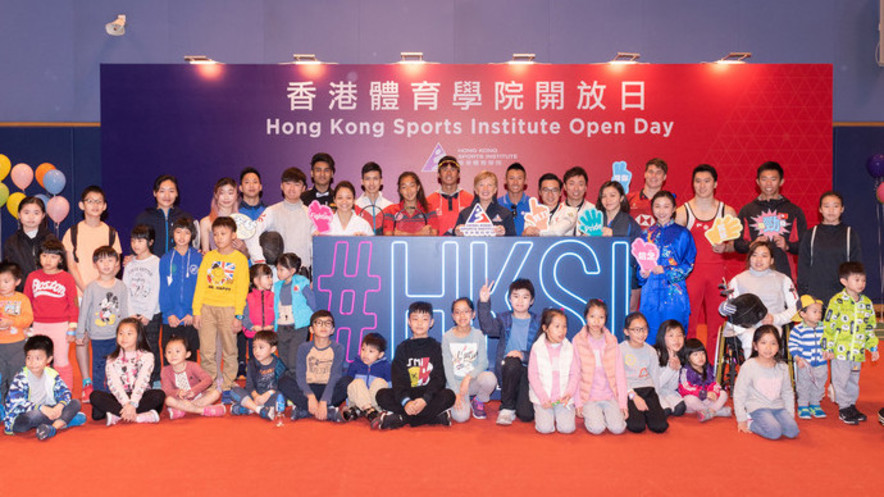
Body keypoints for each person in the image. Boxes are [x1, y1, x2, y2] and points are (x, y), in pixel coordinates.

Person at [63, 186, 123, 400]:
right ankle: (87, 381)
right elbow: (71, 265)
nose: (95, 205)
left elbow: (115, 265)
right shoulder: (73, 232)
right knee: (84, 337)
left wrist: (102, 286)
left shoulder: (111, 233)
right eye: (90, 201)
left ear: (105, 206)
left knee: (108, 335)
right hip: (82, 291)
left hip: (107, 294)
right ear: (82, 205)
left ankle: (109, 378)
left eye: (99, 201)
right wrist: (88, 288)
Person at [675, 164, 737, 350]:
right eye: (698, 181)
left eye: (707, 181)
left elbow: (736, 246)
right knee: (688, 321)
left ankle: (714, 370)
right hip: (691, 274)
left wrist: (726, 247)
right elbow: (674, 249)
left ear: (715, 184)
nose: (702, 186)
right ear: (693, 184)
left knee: (717, 323)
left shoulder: (727, 212)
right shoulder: (682, 212)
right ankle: (687, 366)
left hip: (717, 272)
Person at [192, 216, 250, 402]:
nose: (218, 238)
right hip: (207, 308)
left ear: (233, 235)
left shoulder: (240, 260)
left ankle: (227, 384)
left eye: (223, 234)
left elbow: (242, 289)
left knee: (230, 350)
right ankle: (210, 384)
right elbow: (200, 285)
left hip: (229, 309)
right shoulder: (209, 257)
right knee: (207, 350)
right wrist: (196, 311)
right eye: (215, 234)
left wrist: (238, 315)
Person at [375, 302, 456, 429]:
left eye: (424, 319)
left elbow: (439, 379)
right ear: (409, 322)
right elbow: (398, 380)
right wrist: (406, 402)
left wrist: (425, 400)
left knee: (449, 395)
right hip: (408, 394)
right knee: (381, 395)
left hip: (427, 396)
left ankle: (402, 419)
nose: (419, 323)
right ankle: (433, 418)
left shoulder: (437, 347)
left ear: (431, 322)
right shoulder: (402, 348)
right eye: (415, 319)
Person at [477, 278, 540, 425]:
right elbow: (487, 328)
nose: (520, 301)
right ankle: (506, 407)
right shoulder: (503, 319)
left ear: (531, 301)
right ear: (510, 299)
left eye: (525, 297)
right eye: (516, 296)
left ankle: (516, 400)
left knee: (526, 415)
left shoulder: (538, 322)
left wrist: (523, 355)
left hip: (529, 373)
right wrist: (484, 302)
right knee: (512, 361)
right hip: (508, 370)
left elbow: (541, 354)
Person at [822, 261, 879, 425]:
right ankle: (844, 408)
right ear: (844, 281)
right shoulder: (837, 301)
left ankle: (851, 405)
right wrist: (828, 347)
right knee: (841, 379)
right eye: (856, 280)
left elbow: (869, 328)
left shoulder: (867, 303)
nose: (861, 284)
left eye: (863, 280)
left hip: (857, 352)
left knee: (853, 380)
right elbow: (829, 326)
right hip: (840, 352)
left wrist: (873, 347)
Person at [636, 191, 696, 340]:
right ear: (652, 208)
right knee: (650, 333)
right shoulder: (646, 234)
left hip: (673, 292)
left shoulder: (683, 234)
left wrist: (666, 270)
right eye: (657, 206)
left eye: (666, 206)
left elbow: (689, 264)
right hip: (650, 292)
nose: (661, 211)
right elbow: (639, 264)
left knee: (673, 333)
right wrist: (642, 273)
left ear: (674, 208)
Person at [725, 239, 798, 359]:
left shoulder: (783, 279)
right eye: (754, 255)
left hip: (772, 325)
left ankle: (768, 373)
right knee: (751, 337)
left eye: (764, 256)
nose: (759, 260)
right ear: (749, 259)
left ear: (771, 260)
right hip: (745, 327)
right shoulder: (737, 280)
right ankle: (752, 374)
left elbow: (796, 308)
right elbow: (730, 309)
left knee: (766, 339)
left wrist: (775, 318)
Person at [3, 335, 86, 440]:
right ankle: (64, 420)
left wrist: (59, 406)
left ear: (49, 359)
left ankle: (53, 427)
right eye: (29, 358)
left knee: (75, 403)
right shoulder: (21, 378)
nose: (33, 363)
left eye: (38, 358)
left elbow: (64, 392)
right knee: (34, 416)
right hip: (24, 417)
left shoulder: (52, 374)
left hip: (48, 409)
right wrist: (42, 408)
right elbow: (17, 403)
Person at [734, 161, 807, 281]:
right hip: (753, 275)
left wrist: (787, 245)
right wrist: (752, 244)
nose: (768, 183)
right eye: (764, 179)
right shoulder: (747, 211)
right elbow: (738, 245)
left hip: (784, 273)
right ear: (757, 182)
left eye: (773, 179)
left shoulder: (794, 211)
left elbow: (804, 246)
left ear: (781, 182)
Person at [89, 318, 166, 424]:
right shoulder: (112, 358)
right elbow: (114, 384)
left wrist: (133, 403)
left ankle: (118, 415)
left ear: (138, 336)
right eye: (121, 333)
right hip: (120, 397)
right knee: (95, 396)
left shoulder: (147, 356)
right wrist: (126, 404)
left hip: (140, 396)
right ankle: (138, 415)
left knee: (159, 395)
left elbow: (142, 381)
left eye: (129, 334)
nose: (124, 337)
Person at [24, 239, 78, 389]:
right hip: (38, 325)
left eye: (53, 257)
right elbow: (26, 302)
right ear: (39, 257)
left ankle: (65, 396)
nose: (48, 260)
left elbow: (73, 304)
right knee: (36, 361)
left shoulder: (67, 278)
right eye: (44, 256)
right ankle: (36, 395)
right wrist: (26, 325)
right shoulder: (32, 277)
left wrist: (73, 326)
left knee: (61, 362)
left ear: (60, 259)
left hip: (60, 326)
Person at [279, 310, 348, 422]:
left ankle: (306, 410)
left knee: (347, 382)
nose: (323, 326)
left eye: (327, 323)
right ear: (311, 329)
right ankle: (326, 411)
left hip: (328, 389)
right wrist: (310, 396)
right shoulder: (304, 348)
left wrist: (324, 400)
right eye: (319, 323)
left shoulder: (338, 348)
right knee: (284, 381)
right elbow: (300, 376)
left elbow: (335, 376)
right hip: (309, 388)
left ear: (332, 330)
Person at [76, 246, 129, 393]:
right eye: (101, 261)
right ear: (95, 264)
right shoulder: (91, 288)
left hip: (117, 336)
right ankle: (100, 396)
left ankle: (117, 394)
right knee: (99, 367)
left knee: (118, 366)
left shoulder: (121, 286)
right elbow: (84, 312)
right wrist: (80, 333)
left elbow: (124, 311)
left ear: (117, 263)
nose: (106, 264)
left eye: (110, 260)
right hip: (98, 336)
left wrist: (127, 333)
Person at [572, 299, 627, 435]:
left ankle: (608, 415)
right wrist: (578, 403)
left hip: (609, 395)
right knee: (597, 429)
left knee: (618, 429)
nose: (596, 321)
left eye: (601, 317)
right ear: (586, 317)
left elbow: (620, 374)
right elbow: (575, 373)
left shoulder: (612, 341)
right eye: (592, 316)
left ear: (605, 319)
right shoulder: (578, 341)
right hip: (589, 397)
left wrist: (622, 404)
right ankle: (596, 416)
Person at [734, 325, 799, 440]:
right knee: (774, 432)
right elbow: (739, 393)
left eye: (773, 343)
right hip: (758, 407)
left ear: (778, 347)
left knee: (792, 431)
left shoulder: (782, 367)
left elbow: (787, 392)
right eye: (763, 343)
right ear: (755, 346)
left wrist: (790, 414)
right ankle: (751, 421)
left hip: (778, 407)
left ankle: (775, 421)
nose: (768, 348)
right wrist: (741, 419)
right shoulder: (749, 366)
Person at [797, 191, 861, 305]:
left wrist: (854, 291)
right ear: (820, 209)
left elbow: (856, 267)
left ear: (842, 209)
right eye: (826, 206)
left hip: (842, 296)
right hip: (815, 298)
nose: (831, 211)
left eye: (835, 206)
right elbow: (803, 267)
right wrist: (804, 295)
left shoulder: (850, 234)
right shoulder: (810, 234)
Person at [247, 167, 317, 269]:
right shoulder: (271, 211)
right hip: (278, 277)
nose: (292, 188)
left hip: (303, 276)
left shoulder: (311, 214)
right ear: (281, 186)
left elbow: (317, 247)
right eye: (288, 183)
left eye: (297, 184)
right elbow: (252, 233)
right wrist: (260, 263)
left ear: (303, 188)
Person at [442, 297, 497, 422]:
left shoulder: (478, 335)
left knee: (489, 379)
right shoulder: (447, 337)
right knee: (461, 418)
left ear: (473, 314)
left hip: (471, 382)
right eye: (457, 312)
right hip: (454, 384)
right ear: (453, 316)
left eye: (466, 311)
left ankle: (478, 401)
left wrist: (468, 378)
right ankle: (455, 402)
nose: (462, 315)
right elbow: (447, 367)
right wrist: (455, 392)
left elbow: (484, 363)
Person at [528, 308, 579, 434]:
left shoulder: (569, 348)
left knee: (567, 429)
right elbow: (533, 375)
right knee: (544, 429)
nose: (561, 331)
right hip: (543, 399)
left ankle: (560, 413)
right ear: (545, 328)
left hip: (563, 399)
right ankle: (544, 413)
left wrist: (569, 393)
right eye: (557, 326)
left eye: (564, 327)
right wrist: (542, 397)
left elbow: (575, 373)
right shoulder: (537, 348)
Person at [158, 217, 201, 362]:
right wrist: (169, 313)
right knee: (170, 355)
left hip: (191, 318)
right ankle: (170, 384)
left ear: (192, 235)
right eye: (178, 232)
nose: (182, 237)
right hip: (171, 319)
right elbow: (163, 289)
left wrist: (193, 312)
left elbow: (201, 289)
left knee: (190, 355)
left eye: (186, 233)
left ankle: (192, 384)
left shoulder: (199, 258)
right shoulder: (165, 259)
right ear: (172, 233)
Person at [123, 224, 162, 386]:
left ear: (150, 242)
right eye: (133, 241)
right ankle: (137, 378)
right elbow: (125, 289)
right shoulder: (130, 263)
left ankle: (156, 378)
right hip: (133, 313)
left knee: (151, 346)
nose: (136, 244)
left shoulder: (156, 262)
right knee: (134, 347)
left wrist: (147, 314)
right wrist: (131, 313)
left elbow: (156, 289)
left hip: (151, 314)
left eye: (141, 241)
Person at [597, 180, 642, 311]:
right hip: (600, 274)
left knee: (627, 312)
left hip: (625, 275)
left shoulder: (630, 223)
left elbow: (637, 254)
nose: (607, 200)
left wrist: (614, 235)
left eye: (612, 195)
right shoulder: (595, 219)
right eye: (604, 196)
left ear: (621, 198)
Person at [620, 312, 668, 433]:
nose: (642, 333)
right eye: (636, 330)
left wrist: (656, 399)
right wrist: (634, 397)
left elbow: (654, 376)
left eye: (644, 329)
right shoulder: (620, 350)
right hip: (630, 391)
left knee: (660, 426)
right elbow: (619, 378)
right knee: (637, 426)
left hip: (648, 389)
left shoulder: (651, 351)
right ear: (626, 331)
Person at [161, 336, 224, 419]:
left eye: (177, 351)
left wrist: (194, 391)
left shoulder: (193, 366)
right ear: (165, 355)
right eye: (169, 352)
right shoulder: (165, 370)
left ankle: (182, 410)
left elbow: (208, 379)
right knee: (168, 400)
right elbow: (166, 390)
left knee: (216, 393)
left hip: (197, 397)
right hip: (180, 400)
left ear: (187, 354)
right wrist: (178, 393)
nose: (173, 355)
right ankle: (203, 410)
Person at [273, 252, 314, 381]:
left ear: (292, 270)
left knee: (294, 358)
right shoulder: (277, 286)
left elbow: (312, 301)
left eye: (281, 270)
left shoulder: (302, 283)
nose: (278, 273)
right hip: (281, 326)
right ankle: (287, 384)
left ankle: (298, 383)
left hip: (299, 326)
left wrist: (315, 318)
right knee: (283, 356)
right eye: (277, 270)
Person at [3, 196, 57, 291]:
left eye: (36, 213)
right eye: (26, 212)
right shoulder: (11, 242)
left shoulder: (51, 240)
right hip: (21, 294)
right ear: (19, 215)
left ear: (43, 215)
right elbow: (8, 272)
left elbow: (59, 267)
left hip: (47, 292)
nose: (31, 217)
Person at [134, 175, 196, 257]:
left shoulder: (186, 218)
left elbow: (191, 246)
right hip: (152, 268)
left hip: (178, 267)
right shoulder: (144, 218)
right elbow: (136, 244)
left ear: (177, 193)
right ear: (155, 193)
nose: (167, 196)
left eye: (171, 191)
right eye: (162, 191)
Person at [787, 295, 827, 420]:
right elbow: (792, 345)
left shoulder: (824, 328)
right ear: (803, 314)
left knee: (819, 384)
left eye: (820, 311)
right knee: (804, 384)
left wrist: (829, 351)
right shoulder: (798, 330)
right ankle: (803, 405)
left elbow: (828, 342)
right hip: (805, 363)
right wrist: (798, 358)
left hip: (821, 363)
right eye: (814, 311)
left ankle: (815, 403)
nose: (818, 314)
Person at [230, 330, 284, 421]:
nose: (256, 351)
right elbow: (249, 386)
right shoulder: (251, 363)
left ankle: (248, 409)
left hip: (270, 396)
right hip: (255, 396)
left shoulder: (279, 364)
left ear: (273, 349)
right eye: (254, 347)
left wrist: (267, 394)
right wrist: (256, 396)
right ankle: (259, 410)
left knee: (281, 396)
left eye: (261, 347)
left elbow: (281, 385)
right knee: (234, 391)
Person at [0, 262, 33, 400]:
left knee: (16, 375)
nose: (2, 285)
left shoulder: (22, 299)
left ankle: (15, 402)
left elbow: (28, 319)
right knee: (1, 376)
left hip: (17, 345)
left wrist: (12, 322)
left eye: (6, 281)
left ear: (17, 281)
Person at [678, 338, 731, 422]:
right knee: (689, 400)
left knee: (723, 394)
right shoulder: (685, 371)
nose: (700, 357)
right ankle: (716, 411)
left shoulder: (708, 368)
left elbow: (714, 383)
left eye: (702, 353)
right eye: (695, 355)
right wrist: (703, 394)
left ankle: (708, 412)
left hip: (707, 399)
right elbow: (684, 388)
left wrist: (713, 392)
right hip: (696, 399)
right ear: (688, 357)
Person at [342, 332, 391, 423]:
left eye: (371, 351)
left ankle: (360, 411)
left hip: (375, 403)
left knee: (380, 382)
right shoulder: (355, 364)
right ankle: (367, 410)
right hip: (357, 401)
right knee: (357, 382)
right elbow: (349, 385)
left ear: (380, 354)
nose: (365, 354)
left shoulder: (385, 366)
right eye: (363, 349)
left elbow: (390, 387)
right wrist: (348, 404)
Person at [239, 263, 275, 377]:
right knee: (254, 360)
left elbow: (278, 313)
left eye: (271, 277)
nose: (271, 280)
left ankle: (269, 382)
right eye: (267, 277)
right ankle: (253, 383)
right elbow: (244, 315)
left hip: (269, 336)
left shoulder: (274, 296)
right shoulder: (248, 297)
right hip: (253, 336)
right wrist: (252, 327)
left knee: (269, 361)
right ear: (256, 280)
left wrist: (273, 325)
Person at [454, 171, 515, 236]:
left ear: (495, 189)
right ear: (476, 190)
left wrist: (504, 233)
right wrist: (457, 232)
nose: (485, 189)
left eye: (489, 185)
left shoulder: (505, 214)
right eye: (481, 185)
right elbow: (455, 239)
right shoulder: (465, 214)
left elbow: (512, 238)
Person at [426, 156, 473, 236]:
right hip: (437, 247)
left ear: (458, 174)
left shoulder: (471, 200)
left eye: (453, 169)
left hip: (464, 246)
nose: (449, 173)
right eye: (444, 170)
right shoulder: (428, 201)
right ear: (438, 175)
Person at [383, 172, 439, 236]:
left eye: (412, 186)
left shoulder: (429, 209)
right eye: (404, 187)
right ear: (400, 190)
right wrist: (420, 234)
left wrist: (402, 234)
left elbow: (434, 235)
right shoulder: (391, 211)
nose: (408, 190)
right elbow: (388, 237)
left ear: (418, 187)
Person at [653, 319, 686, 417]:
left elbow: (672, 387)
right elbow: (655, 386)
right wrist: (671, 369)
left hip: (665, 390)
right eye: (671, 336)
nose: (676, 340)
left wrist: (676, 368)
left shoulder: (679, 355)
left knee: (680, 409)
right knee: (665, 412)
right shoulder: (654, 354)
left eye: (679, 335)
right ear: (662, 338)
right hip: (652, 390)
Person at [198, 177, 241, 253]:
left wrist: (243, 248)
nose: (226, 197)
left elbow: (248, 254)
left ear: (236, 195)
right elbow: (206, 253)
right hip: (216, 263)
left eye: (230, 193)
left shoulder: (242, 221)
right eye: (222, 193)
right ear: (216, 195)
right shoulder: (205, 222)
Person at [627, 158, 668, 229]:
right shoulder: (628, 199)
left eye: (658, 173)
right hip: (632, 240)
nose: (654, 176)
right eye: (651, 172)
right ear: (645, 174)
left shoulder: (669, 203)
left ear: (664, 177)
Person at [355, 162, 393, 235]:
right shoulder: (354, 206)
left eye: (375, 179)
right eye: (367, 179)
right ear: (362, 181)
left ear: (381, 181)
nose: (371, 183)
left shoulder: (390, 207)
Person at [497, 162, 532, 235]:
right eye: (511, 178)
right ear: (505, 180)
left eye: (519, 178)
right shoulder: (496, 204)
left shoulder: (534, 205)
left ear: (525, 181)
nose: (515, 182)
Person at [562, 166, 593, 234]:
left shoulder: (593, 210)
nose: (576, 188)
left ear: (585, 187)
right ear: (564, 187)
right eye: (571, 184)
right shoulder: (558, 210)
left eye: (580, 184)